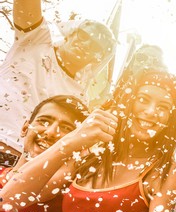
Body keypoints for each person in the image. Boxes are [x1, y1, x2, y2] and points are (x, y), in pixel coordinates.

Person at [0, 69, 176, 212]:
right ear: (127, 102)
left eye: (163, 107)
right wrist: (73, 139)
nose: (151, 112)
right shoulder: (91, 154)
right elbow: (10, 199)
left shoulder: (163, 170)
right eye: (143, 99)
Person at [0, 0, 115, 166]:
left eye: (95, 47)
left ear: (98, 59)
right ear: (70, 33)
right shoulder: (35, 39)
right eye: (83, 36)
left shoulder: (79, 99)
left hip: (20, 167)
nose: (85, 45)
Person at [0, 95, 88, 212]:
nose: (51, 132)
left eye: (67, 129)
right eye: (44, 121)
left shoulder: (71, 205)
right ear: (25, 128)